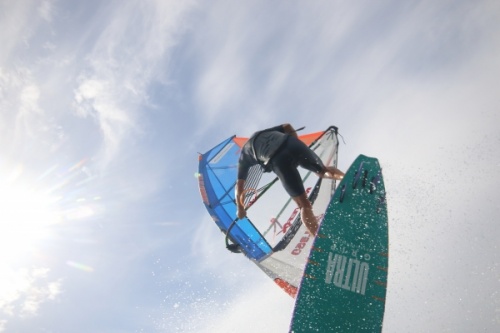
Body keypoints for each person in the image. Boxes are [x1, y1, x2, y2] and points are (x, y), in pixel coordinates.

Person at [235, 123, 344, 236]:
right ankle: (345, 177)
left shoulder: (244, 156)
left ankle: (320, 239)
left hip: (277, 160)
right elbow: (287, 126)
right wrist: (296, 146)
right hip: (291, 142)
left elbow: (239, 186)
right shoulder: (260, 133)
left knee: (303, 205)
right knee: (322, 171)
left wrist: (240, 208)